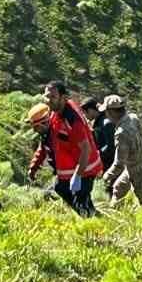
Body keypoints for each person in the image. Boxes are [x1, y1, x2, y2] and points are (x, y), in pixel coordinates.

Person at [100, 95, 142, 225]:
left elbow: (119, 164)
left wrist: (105, 177)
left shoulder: (121, 133)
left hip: (138, 170)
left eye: (107, 112)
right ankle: (113, 215)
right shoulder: (133, 118)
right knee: (119, 187)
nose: (106, 115)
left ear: (112, 112)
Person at [42, 81, 103, 215]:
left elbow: (85, 150)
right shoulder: (57, 112)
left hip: (85, 168)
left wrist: (78, 175)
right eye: (46, 96)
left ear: (63, 98)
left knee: (81, 202)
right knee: (60, 187)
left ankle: (92, 225)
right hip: (71, 166)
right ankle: (92, 215)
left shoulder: (73, 120)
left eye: (52, 97)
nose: (48, 100)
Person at [83, 96, 117, 172]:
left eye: (85, 113)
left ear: (90, 110)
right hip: (106, 163)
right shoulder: (99, 122)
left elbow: (111, 145)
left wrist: (97, 154)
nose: (85, 116)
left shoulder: (106, 123)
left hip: (112, 164)